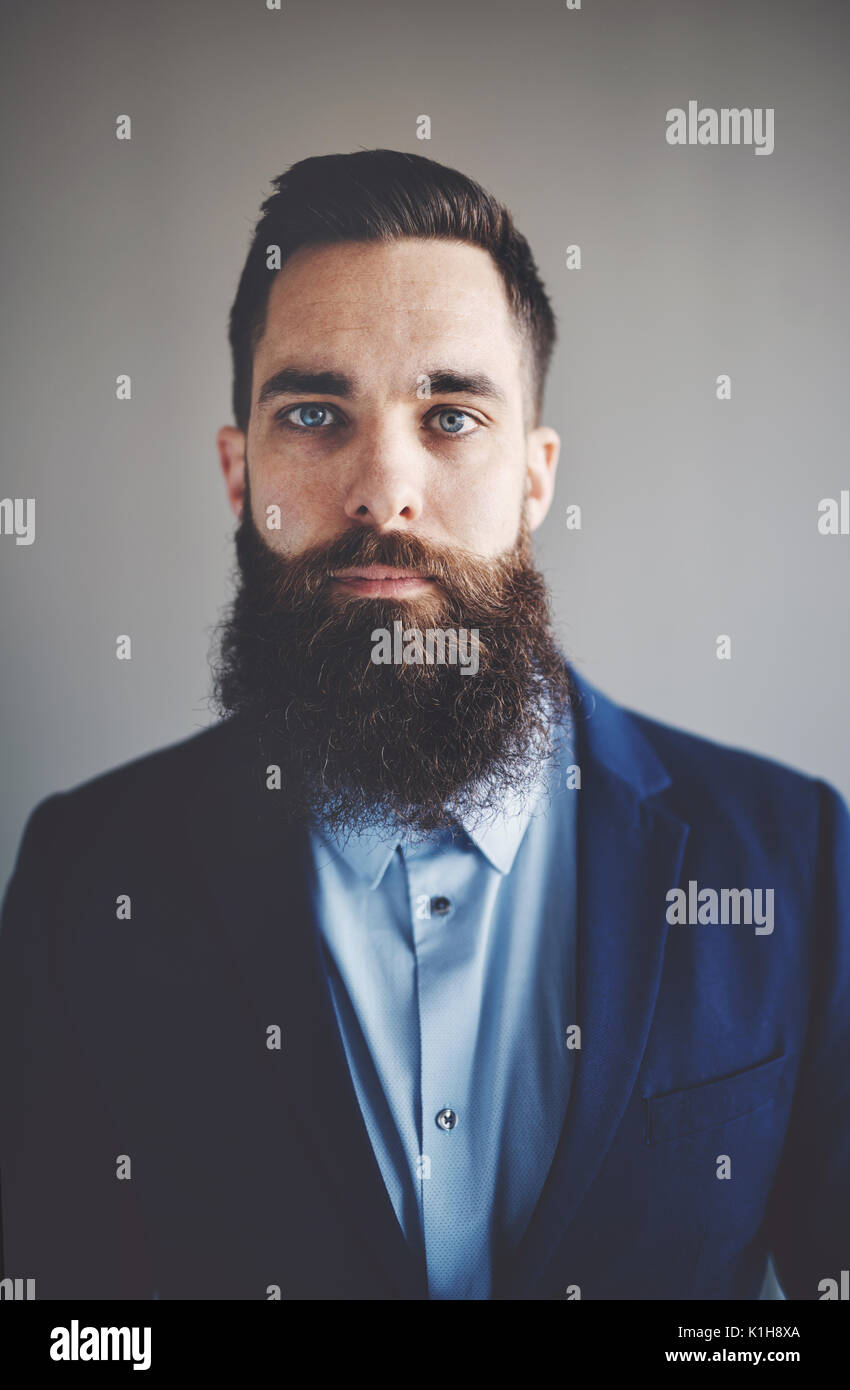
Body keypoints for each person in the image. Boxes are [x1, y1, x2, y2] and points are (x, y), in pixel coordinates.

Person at [1, 150, 847, 1301]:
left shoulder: (793, 858)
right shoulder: (85, 876)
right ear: (239, 472)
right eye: (313, 413)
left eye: (450, 416)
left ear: (535, 477)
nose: (382, 489)